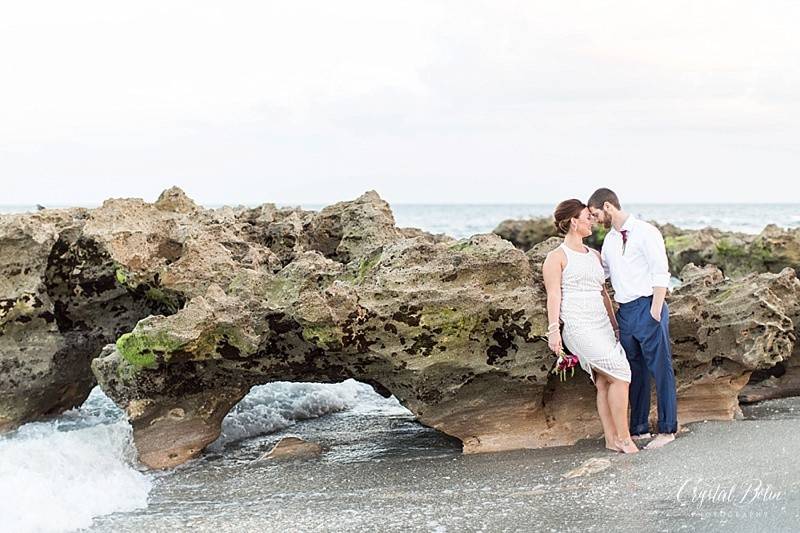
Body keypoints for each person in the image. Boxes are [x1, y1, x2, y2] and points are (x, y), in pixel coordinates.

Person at [542, 199, 638, 453]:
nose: (592, 221)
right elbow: (553, 296)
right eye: (587, 217)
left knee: (605, 382)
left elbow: (604, 293)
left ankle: (611, 440)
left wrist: (616, 326)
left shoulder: (595, 255)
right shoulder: (556, 258)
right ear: (574, 221)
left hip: (602, 326)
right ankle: (625, 438)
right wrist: (554, 332)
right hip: (578, 327)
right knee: (621, 374)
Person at [587, 188, 678, 450]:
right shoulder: (610, 241)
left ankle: (667, 429)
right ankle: (638, 429)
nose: (594, 220)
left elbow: (661, 272)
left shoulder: (647, 232)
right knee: (632, 372)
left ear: (608, 206)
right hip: (624, 312)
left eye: (594, 214)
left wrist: (656, 311)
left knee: (661, 370)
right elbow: (603, 272)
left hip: (649, 306)